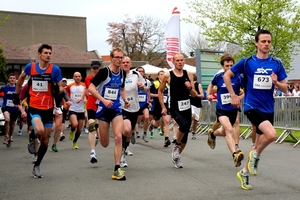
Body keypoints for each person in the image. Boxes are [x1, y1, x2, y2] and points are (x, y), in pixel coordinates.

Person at [223, 29, 288, 190]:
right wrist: (233, 95)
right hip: (251, 106)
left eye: (269, 42)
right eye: (263, 41)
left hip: (268, 108)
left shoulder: (277, 63)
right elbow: (227, 76)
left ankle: (244, 173)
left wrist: (276, 83)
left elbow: (286, 88)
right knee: (272, 135)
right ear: (256, 43)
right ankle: (256, 156)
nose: (267, 44)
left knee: (257, 143)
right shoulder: (247, 62)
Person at [13, 44, 63, 178]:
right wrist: (16, 94)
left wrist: (58, 91)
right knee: (39, 131)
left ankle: (37, 166)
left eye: (50, 53)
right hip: (34, 106)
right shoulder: (31, 67)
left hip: (48, 108)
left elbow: (60, 87)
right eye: (45, 53)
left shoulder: (55, 69)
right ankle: (32, 136)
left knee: (45, 140)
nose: (48, 55)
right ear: (39, 54)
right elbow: (21, 78)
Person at [88, 47, 129, 180]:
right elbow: (91, 88)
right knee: (105, 144)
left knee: (118, 137)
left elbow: (122, 88)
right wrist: (104, 100)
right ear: (111, 58)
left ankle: (117, 169)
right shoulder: (104, 72)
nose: (119, 60)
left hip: (116, 109)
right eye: (116, 57)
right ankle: (97, 127)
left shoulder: (122, 73)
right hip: (103, 109)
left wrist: (125, 99)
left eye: (121, 57)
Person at [206, 53, 245, 168]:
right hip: (221, 109)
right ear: (222, 66)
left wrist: (240, 97)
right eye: (227, 65)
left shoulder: (238, 77)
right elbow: (210, 85)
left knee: (223, 131)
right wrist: (208, 94)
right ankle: (235, 154)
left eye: (231, 65)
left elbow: (245, 91)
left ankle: (212, 133)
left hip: (233, 109)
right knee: (229, 130)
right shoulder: (219, 77)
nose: (229, 68)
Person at [158, 53, 196, 168]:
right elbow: (160, 91)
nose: (180, 62)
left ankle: (177, 156)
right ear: (173, 62)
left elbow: (194, 94)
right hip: (174, 106)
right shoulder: (167, 75)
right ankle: (176, 146)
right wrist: (163, 107)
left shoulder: (188, 74)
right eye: (177, 60)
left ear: (184, 62)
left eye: (182, 60)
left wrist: (190, 87)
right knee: (183, 125)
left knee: (185, 136)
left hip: (186, 106)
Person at [120, 57, 146, 167]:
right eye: (123, 62)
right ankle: (121, 156)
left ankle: (124, 149)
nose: (125, 64)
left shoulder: (136, 74)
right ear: (120, 64)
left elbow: (145, 88)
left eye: (127, 62)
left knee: (129, 133)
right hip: (122, 106)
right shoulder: (117, 74)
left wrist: (142, 86)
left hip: (134, 107)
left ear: (130, 64)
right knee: (126, 129)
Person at [149, 70, 172, 147]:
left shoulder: (169, 84)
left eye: (164, 74)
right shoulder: (155, 83)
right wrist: (158, 95)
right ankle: (152, 124)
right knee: (157, 123)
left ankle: (166, 139)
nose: (162, 76)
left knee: (167, 120)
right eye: (161, 74)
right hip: (157, 105)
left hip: (166, 105)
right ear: (158, 76)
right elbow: (149, 93)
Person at [85, 60, 101, 163]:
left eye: (97, 68)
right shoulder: (88, 79)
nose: (95, 70)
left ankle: (98, 138)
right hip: (91, 105)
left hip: (101, 106)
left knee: (99, 131)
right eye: (94, 68)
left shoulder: (105, 78)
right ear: (91, 69)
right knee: (92, 126)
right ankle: (92, 153)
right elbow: (91, 89)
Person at [65, 72, 86, 149]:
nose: (77, 78)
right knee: (75, 124)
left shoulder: (84, 86)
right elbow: (64, 94)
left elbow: (87, 94)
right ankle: (72, 130)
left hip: (81, 109)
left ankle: (75, 141)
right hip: (73, 108)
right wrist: (66, 101)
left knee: (79, 130)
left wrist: (86, 99)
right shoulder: (70, 86)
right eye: (76, 76)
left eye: (79, 76)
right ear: (73, 77)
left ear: (81, 77)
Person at [0, 73, 22, 147]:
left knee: (12, 125)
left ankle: (10, 136)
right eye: (10, 78)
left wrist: (20, 105)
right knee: (7, 119)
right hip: (6, 107)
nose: (12, 79)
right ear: (8, 79)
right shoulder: (4, 87)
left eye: (13, 78)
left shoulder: (18, 89)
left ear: (16, 80)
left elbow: (22, 97)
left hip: (15, 109)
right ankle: (6, 135)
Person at [51, 83, 70, 152]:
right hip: (49, 108)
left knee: (58, 127)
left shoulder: (63, 90)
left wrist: (68, 102)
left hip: (58, 108)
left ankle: (54, 144)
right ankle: (41, 140)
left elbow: (67, 98)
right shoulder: (50, 88)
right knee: (51, 128)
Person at [134, 66, 152, 142]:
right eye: (139, 71)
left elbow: (148, 91)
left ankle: (144, 133)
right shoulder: (133, 81)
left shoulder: (147, 81)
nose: (141, 73)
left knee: (147, 117)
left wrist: (149, 100)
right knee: (135, 120)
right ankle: (135, 133)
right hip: (135, 103)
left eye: (142, 71)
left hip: (144, 103)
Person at [190, 74, 204, 139]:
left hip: (197, 103)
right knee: (192, 115)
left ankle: (193, 132)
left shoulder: (198, 84)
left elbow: (202, 95)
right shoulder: (187, 85)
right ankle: (187, 125)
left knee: (196, 120)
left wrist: (196, 95)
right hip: (190, 102)